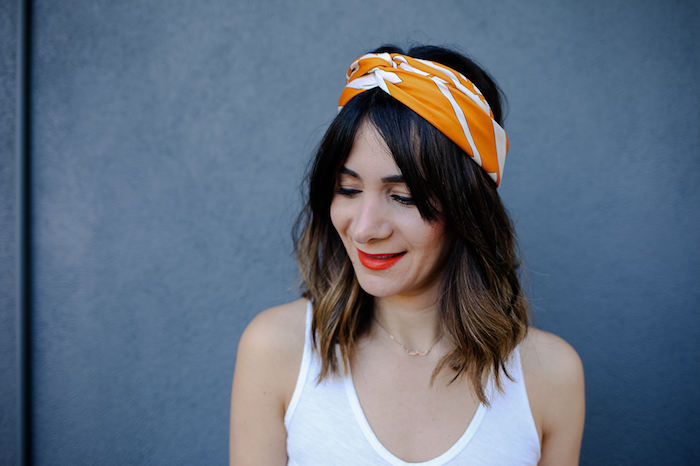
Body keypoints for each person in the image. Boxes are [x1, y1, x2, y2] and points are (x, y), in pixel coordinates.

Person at [229, 44, 585, 465]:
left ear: (466, 208)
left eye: (403, 197)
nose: (364, 228)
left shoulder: (550, 376)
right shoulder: (276, 351)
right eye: (348, 189)